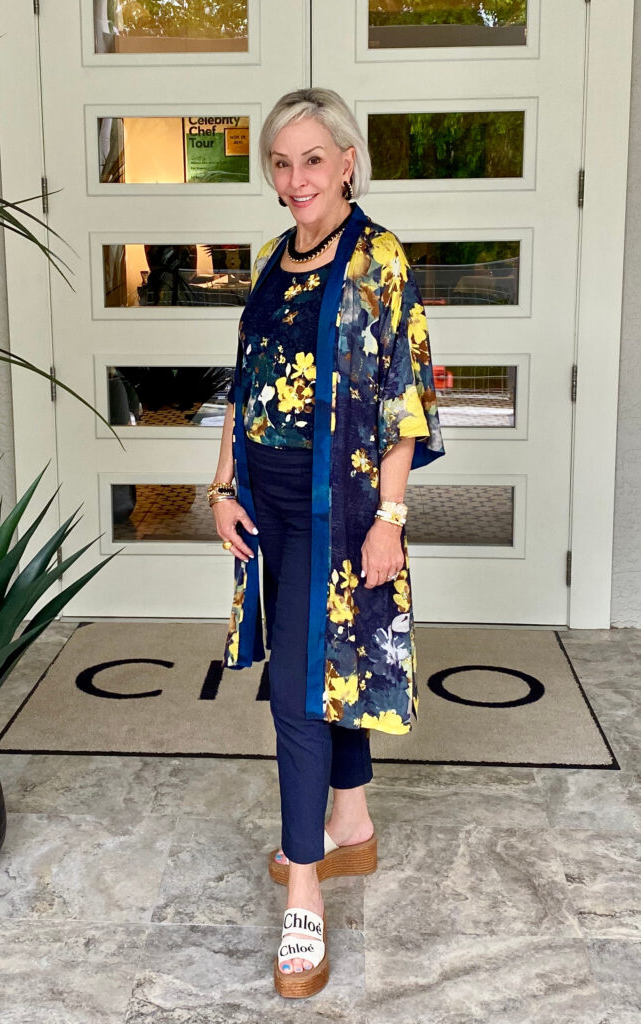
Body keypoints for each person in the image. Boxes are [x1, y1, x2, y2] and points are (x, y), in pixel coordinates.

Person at [208, 87, 445, 999]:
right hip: (265, 502)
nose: (297, 177)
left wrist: (390, 519)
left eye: (314, 158)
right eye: (282, 161)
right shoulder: (273, 260)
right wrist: (223, 486)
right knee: (323, 660)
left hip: (336, 508)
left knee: (302, 692)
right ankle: (349, 822)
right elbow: (247, 384)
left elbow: (403, 396)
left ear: (347, 161)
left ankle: (303, 896)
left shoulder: (379, 260)